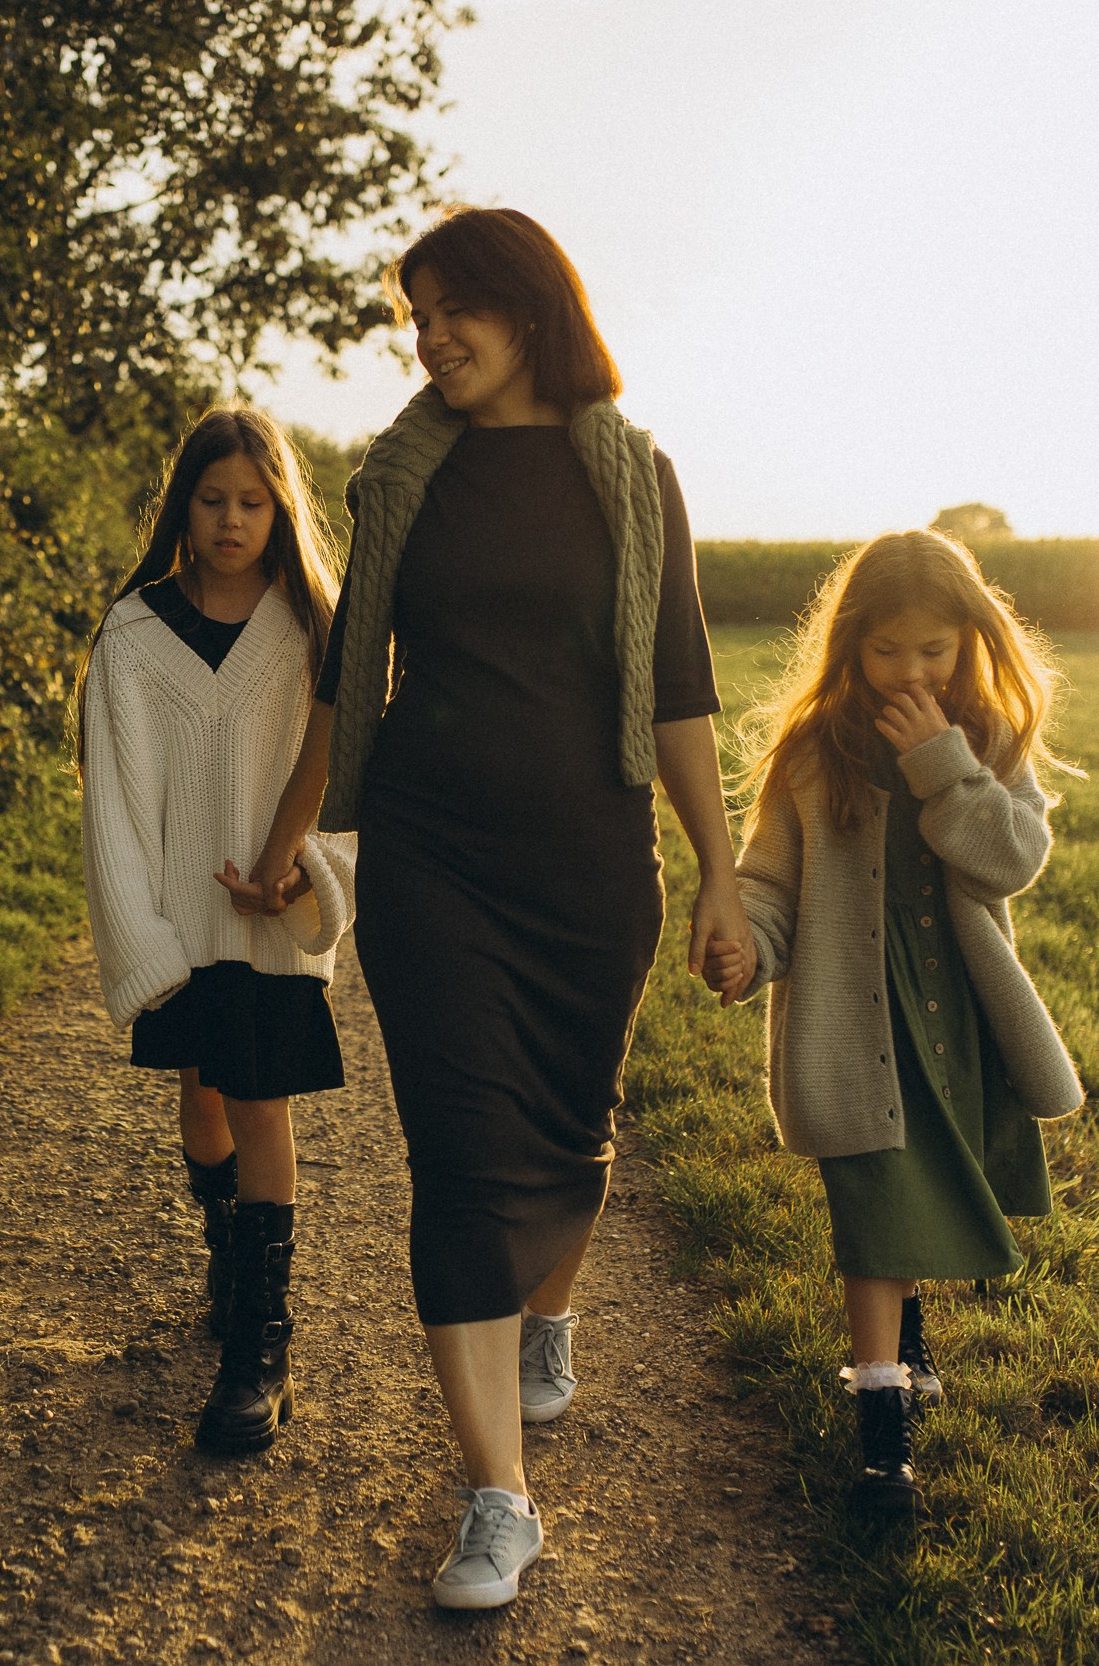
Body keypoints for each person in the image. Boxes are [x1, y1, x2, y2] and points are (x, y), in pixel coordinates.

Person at [239, 207, 749, 1609]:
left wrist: (719, 868)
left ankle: (550, 1311)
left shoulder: (632, 475)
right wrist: (291, 840)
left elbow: (681, 684)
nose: (431, 336)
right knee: (462, 1161)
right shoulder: (407, 477)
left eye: (454, 306)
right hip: (435, 858)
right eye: (417, 312)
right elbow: (349, 678)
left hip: (589, 862)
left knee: (571, 1143)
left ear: (534, 310)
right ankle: (494, 1497)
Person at [716, 529, 1085, 1516]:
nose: (911, 669)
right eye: (887, 650)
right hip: (849, 1013)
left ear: (969, 641)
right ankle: (884, 1442)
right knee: (876, 1215)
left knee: (918, 1181)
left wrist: (940, 764)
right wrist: (747, 943)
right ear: (850, 645)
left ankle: (908, 1341)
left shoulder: (992, 740)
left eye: (934, 649)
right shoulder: (812, 750)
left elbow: (1009, 860)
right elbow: (769, 881)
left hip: (950, 1016)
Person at [78, 406, 357, 1456]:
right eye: (213, 499)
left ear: (280, 506)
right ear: (182, 508)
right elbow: (110, 796)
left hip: (275, 927)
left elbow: (350, 778)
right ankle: (225, 1243)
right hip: (182, 917)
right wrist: (140, 935)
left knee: (260, 1108)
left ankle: (259, 1344)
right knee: (203, 1101)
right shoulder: (136, 632)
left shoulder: (310, 631)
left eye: (253, 500)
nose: (233, 518)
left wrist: (308, 876)